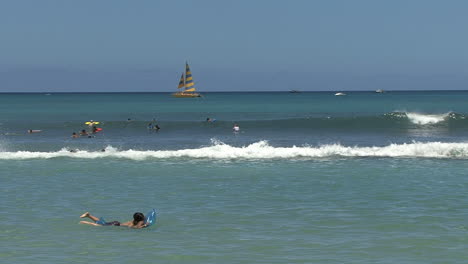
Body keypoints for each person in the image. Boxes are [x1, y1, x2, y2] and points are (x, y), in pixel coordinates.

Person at [79, 211, 147, 228]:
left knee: (102, 222)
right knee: (100, 225)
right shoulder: (139, 222)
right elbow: (137, 228)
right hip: (116, 224)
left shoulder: (134, 220)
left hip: (116, 223)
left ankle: (88, 215)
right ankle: (84, 222)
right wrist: (145, 225)